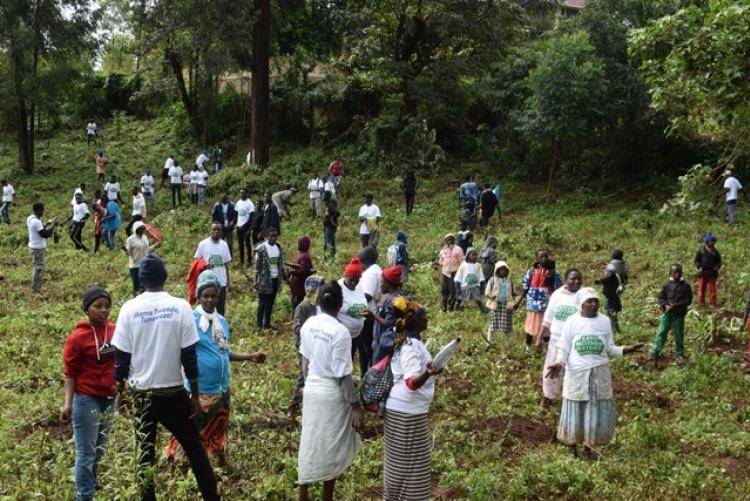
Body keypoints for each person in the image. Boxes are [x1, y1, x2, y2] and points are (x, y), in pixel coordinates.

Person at [112, 254, 220, 501]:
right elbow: (188, 355)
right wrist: (194, 393)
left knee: (145, 452)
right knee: (195, 448)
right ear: (165, 278)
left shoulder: (129, 309)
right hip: (172, 392)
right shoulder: (180, 306)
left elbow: (121, 357)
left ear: (141, 278)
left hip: (142, 394)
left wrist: (120, 391)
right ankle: (211, 497)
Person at [165, 270, 266, 466]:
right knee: (191, 431)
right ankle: (177, 463)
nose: (210, 300)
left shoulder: (221, 322)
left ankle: (216, 460)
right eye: (206, 296)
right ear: (198, 296)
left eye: (213, 296)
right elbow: (180, 352)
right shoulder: (191, 320)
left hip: (221, 389)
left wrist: (249, 357)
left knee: (218, 429)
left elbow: (224, 352)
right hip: (199, 389)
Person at [546, 288, 643, 456]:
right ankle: (573, 443)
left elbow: (609, 348)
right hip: (577, 373)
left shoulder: (604, 321)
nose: (593, 304)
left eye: (596, 301)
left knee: (595, 407)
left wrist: (626, 349)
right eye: (589, 302)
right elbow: (564, 346)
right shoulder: (572, 321)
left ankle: (590, 445)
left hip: (598, 373)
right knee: (576, 406)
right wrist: (558, 363)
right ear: (581, 304)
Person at [298, 281, 362, 501]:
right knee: (331, 444)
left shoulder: (309, 324)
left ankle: (303, 493)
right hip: (331, 394)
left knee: (310, 440)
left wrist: (308, 386)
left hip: (312, 388)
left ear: (319, 301)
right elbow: (343, 375)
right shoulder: (341, 332)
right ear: (341, 303)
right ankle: (327, 496)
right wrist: (355, 406)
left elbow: (305, 362)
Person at [383, 297, 441, 500]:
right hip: (407, 413)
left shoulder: (408, 340)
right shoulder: (409, 345)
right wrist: (429, 372)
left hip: (404, 410)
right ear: (415, 320)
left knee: (399, 463)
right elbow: (411, 382)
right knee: (413, 467)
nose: (427, 319)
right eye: (424, 315)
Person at [61, 288, 116, 501]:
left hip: (109, 398)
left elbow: (121, 362)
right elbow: (70, 373)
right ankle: (83, 496)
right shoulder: (77, 338)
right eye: (98, 306)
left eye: (106, 306)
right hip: (86, 399)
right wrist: (68, 404)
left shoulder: (115, 331)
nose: (103, 310)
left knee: (100, 449)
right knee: (86, 453)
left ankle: (89, 485)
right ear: (87, 309)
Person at [539, 269, 583, 405]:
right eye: (572, 278)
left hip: (576, 341)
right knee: (552, 369)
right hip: (556, 340)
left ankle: (571, 398)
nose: (576, 281)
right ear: (565, 280)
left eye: (579, 279)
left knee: (573, 370)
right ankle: (548, 396)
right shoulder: (557, 295)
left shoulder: (584, 296)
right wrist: (539, 337)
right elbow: (548, 317)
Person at [514, 249, 563, 353]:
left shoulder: (554, 272)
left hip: (547, 305)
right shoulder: (531, 272)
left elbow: (560, 289)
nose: (544, 258)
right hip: (532, 305)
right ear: (536, 259)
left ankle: (546, 348)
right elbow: (525, 288)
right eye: (541, 257)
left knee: (546, 327)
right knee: (530, 327)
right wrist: (518, 302)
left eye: (546, 256)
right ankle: (528, 348)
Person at [289, 276, 325, 415]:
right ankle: (294, 404)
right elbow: (297, 329)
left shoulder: (319, 305)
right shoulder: (303, 307)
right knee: (302, 374)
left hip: (317, 345)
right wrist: (301, 346)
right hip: (304, 346)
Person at [649, 264, 693, 362]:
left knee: (679, 334)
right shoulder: (666, 285)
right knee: (662, 332)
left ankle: (680, 353)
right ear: (671, 273)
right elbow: (661, 298)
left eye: (679, 272)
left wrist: (677, 305)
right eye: (675, 272)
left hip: (679, 314)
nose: (677, 274)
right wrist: (665, 305)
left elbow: (688, 300)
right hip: (667, 313)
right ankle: (655, 351)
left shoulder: (685, 286)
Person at [338, 256, 369, 373]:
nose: (353, 283)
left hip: (355, 335)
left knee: (349, 361)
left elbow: (363, 303)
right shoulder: (337, 289)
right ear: (345, 276)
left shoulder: (359, 287)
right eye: (351, 279)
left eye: (356, 279)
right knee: (341, 363)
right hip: (341, 337)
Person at [194, 222, 232, 315]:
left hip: (221, 282)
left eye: (218, 230)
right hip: (206, 282)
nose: (216, 231)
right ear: (210, 231)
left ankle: (218, 327)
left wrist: (228, 281)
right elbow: (196, 262)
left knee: (220, 309)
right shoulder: (203, 244)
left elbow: (226, 265)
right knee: (206, 308)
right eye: (214, 229)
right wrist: (204, 265)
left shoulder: (224, 245)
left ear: (221, 232)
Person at [370, 265, 405, 364]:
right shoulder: (401, 295)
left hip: (385, 345)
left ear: (388, 284)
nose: (380, 285)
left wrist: (373, 316)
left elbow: (388, 323)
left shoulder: (392, 300)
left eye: (382, 282)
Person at [254, 227, 288, 330]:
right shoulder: (261, 249)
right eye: (271, 236)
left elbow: (281, 264)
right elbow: (257, 266)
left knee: (270, 302)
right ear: (266, 236)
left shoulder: (278, 248)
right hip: (264, 280)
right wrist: (255, 280)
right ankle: (259, 325)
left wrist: (285, 277)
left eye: (275, 236)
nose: (273, 238)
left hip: (275, 279)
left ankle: (267, 324)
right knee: (262, 302)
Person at [358, 245, 381, 377]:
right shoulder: (374, 270)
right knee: (364, 349)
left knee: (367, 349)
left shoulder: (371, 274)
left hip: (367, 316)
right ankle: (364, 375)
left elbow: (366, 296)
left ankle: (370, 377)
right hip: (368, 315)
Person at [594, 249, 629, 334]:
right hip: (618, 290)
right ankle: (615, 327)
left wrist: (599, 281)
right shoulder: (624, 265)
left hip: (610, 291)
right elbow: (625, 278)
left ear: (612, 256)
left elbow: (608, 279)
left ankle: (613, 328)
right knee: (613, 308)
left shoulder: (611, 266)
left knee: (610, 311)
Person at [27, 203, 59, 294]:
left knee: (37, 267)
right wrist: (53, 226)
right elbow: (45, 234)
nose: (43, 212)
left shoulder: (31, 218)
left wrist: (47, 224)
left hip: (34, 246)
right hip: (37, 248)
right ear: (39, 210)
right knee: (39, 269)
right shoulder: (36, 221)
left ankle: (36, 289)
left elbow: (40, 229)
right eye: (42, 210)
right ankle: (36, 290)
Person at [484, 261, 516, 348]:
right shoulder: (492, 280)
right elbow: (487, 292)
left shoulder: (510, 281)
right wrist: (491, 296)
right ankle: (488, 343)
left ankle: (507, 345)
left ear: (507, 271)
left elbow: (513, 293)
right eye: (501, 270)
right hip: (496, 306)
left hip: (507, 306)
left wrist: (515, 302)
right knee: (492, 325)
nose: (503, 272)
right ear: (497, 271)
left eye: (505, 270)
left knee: (507, 327)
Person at [124, 221, 159, 296]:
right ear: (136, 229)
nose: (143, 230)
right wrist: (125, 250)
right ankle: (136, 300)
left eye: (143, 229)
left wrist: (155, 246)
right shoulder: (130, 239)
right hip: (135, 266)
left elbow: (147, 250)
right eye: (141, 229)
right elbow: (129, 253)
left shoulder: (145, 238)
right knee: (137, 287)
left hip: (145, 264)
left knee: (145, 285)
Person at [454, 247, 487, 313]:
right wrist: (457, 287)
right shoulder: (463, 265)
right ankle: (455, 312)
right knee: (459, 299)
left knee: (478, 300)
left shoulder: (478, 265)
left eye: (476, 255)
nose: (474, 256)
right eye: (473, 255)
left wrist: (482, 288)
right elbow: (458, 277)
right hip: (465, 286)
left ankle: (485, 312)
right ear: (468, 255)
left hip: (475, 286)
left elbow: (481, 277)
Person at [438, 233, 465, 312]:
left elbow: (462, 262)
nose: (450, 241)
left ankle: (451, 307)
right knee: (444, 290)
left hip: (454, 272)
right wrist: (441, 263)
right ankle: (443, 307)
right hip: (445, 273)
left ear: (454, 240)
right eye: (448, 239)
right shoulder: (443, 250)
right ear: (445, 241)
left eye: (451, 239)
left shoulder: (458, 249)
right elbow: (441, 260)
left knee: (453, 290)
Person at [694, 234, 721, 307]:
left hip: (712, 273)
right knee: (701, 288)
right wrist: (699, 267)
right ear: (707, 242)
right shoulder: (701, 251)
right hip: (703, 273)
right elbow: (696, 261)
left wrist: (717, 267)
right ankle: (701, 302)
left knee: (713, 289)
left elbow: (719, 262)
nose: (713, 243)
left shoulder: (715, 252)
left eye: (713, 241)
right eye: (711, 241)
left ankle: (713, 303)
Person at [289, 236, 314, 313]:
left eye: (299, 243)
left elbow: (304, 271)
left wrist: (292, 272)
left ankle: (296, 320)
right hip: (297, 286)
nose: (298, 245)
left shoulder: (304, 257)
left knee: (297, 304)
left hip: (299, 287)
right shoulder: (302, 254)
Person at [235, 188, 255, 266]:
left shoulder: (249, 203)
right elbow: (237, 214)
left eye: (243, 193)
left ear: (246, 194)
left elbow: (252, 217)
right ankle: (241, 260)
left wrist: (248, 228)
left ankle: (249, 261)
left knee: (247, 244)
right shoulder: (238, 202)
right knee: (240, 245)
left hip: (246, 227)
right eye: (240, 193)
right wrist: (236, 224)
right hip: (239, 226)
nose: (241, 194)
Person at [323, 191, 339, 257]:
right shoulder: (328, 204)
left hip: (330, 226)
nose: (323, 197)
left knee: (328, 242)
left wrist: (332, 219)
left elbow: (337, 212)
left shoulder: (330, 205)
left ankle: (330, 256)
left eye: (324, 195)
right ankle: (332, 255)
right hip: (328, 226)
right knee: (330, 241)